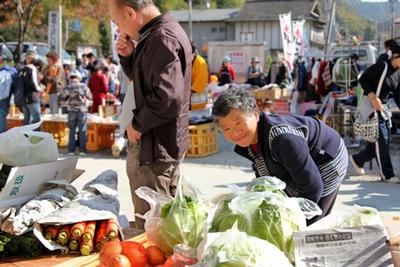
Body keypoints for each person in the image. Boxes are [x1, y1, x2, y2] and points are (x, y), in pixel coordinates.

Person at [109, 0, 193, 229]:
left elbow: (168, 98)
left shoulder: (161, 38)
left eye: (118, 22)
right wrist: (129, 57)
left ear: (130, 13)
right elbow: (145, 83)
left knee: (153, 229)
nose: (119, 29)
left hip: (153, 147)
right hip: (158, 144)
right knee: (161, 224)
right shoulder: (158, 34)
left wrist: (136, 125)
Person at [212, 87, 348, 224]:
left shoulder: (281, 138)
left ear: (255, 114)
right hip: (301, 161)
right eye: (227, 129)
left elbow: (312, 185)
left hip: (327, 157)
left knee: (312, 222)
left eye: (238, 122)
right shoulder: (252, 141)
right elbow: (265, 179)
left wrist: (296, 220)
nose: (235, 133)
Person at [350, 44, 400, 184]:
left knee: (380, 141)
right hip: (371, 107)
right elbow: (363, 79)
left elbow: (397, 95)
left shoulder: (398, 73)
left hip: (383, 109)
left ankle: (357, 159)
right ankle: (387, 174)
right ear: (396, 57)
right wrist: (373, 97)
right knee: (382, 140)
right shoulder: (382, 66)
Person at [60, 70, 92, 155]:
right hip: (82, 110)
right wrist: (86, 103)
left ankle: (71, 151)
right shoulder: (84, 86)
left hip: (71, 111)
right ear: (79, 78)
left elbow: (61, 101)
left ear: (70, 78)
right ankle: (82, 150)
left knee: (72, 131)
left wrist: (67, 103)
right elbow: (90, 99)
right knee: (82, 130)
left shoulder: (67, 87)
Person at [20, 51, 43, 127]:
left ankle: (25, 138)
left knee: (26, 120)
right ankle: (35, 138)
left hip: (23, 98)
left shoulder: (22, 69)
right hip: (32, 97)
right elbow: (33, 83)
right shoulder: (32, 68)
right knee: (36, 121)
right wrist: (40, 89)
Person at [0, 56, 17, 133]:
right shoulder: (13, 72)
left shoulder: (1, 71)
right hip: (5, 99)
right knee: (2, 116)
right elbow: (16, 87)